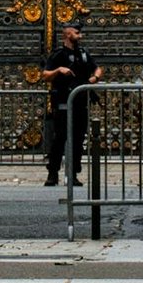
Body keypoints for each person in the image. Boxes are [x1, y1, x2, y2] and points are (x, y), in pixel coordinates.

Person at [42, 23, 102, 187]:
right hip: (63, 102)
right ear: (68, 34)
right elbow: (45, 75)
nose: (80, 36)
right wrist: (59, 70)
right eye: (77, 33)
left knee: (77, 140)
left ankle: (73, 173)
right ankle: (53, 173)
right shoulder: (58, 55)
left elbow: (97, 69)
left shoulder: (83, 54)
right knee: (59, 139)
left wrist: (94, 79)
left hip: (80, 103)